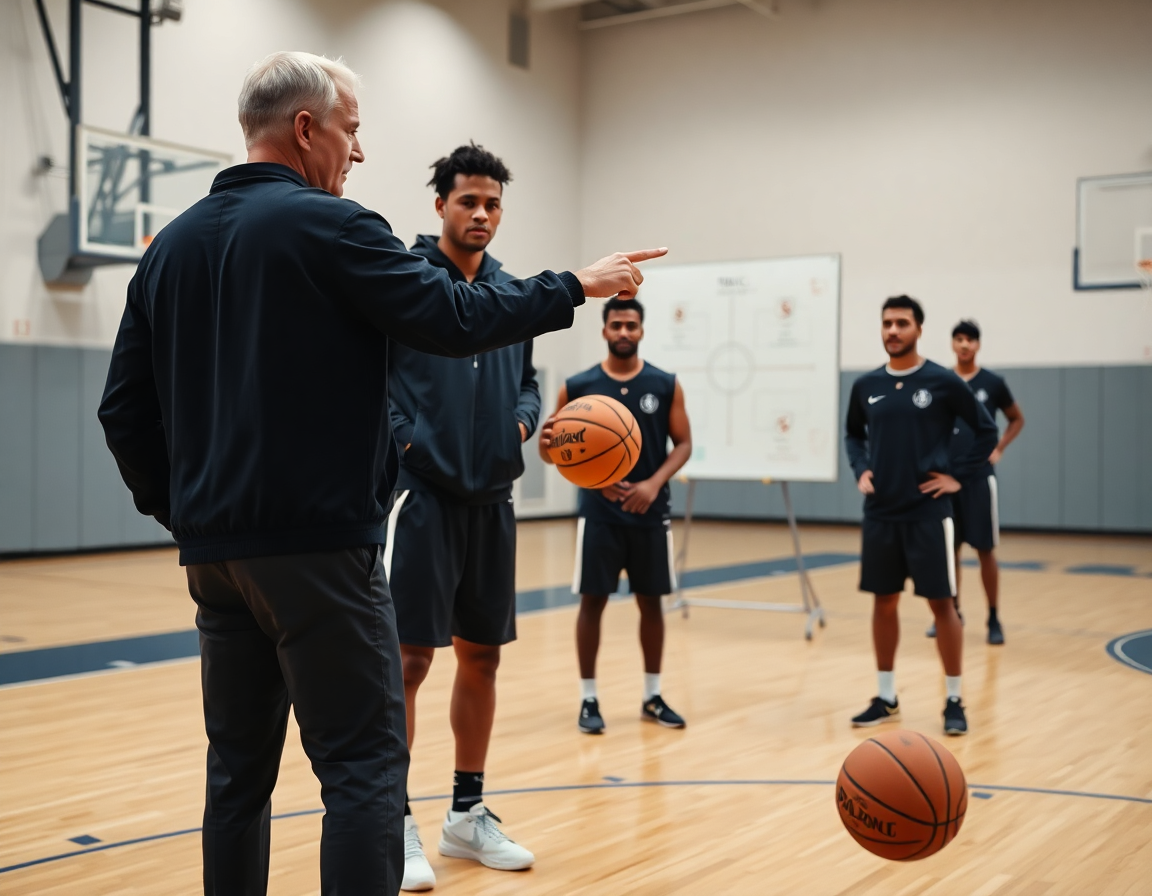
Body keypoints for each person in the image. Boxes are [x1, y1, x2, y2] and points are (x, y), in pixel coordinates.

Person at [97, 51, 664, 896]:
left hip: (215, 558)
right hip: (321, 548)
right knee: (362, 768)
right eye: (352, 131)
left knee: (237, 777)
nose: (357, 154)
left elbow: (123, 412)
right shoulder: (335, 227)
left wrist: (185, 513)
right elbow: (456, 315)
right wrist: (575, 286)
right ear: (304, 128)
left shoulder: (168, 248)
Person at [386, 144, 538, 890]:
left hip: (494, 499)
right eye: (468, 201)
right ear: (440, 204)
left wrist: (521, 423)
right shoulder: (409, 282)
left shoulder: (511, 292)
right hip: (423, 498)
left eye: (492, 203)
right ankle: (394, 822)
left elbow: (530, 386)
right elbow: (374, 379)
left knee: (483, 655)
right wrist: (404, 433)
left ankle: (466, 815)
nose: (481, 214)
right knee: (410, 662)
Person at [844, 296, 998, 737]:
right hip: (881, 513)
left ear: (919, 329)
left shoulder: (942, 381)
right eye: (887, 323)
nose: (893, 330)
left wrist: (957, 478)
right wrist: (861, 469)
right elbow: (853, 435)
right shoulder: (866, 385)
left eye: (902, 323)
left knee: (943, 606)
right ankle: (886, 696)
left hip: (930, 514)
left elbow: (987, 430)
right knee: (883, 603)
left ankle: (954, 699)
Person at [538, 296, 693, 735]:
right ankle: (589, 698)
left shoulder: (665, 384)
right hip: (599, 515)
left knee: (652, 603)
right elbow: (551, 455)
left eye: (631, 325)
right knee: (592, 602)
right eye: (616, 325)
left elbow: (683, 443)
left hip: (649, 510)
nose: (624, 332)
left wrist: (652, 483)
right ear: (604, 330)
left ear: (641, 331)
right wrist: (589, 476)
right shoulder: (579, 385)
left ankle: (653, 695)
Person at [925, 320, 1025, 645]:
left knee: (985, 550)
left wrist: (999, 448)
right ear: (952, 344)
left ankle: (994, 617)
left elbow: (1016, 418)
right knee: (949, 550)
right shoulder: (942, 381)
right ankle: (951, 611)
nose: (965, 345)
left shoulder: (992, 383)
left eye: (970, 340)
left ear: (978, 345)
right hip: (946, 477)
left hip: (979, 478)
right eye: (959, 339)